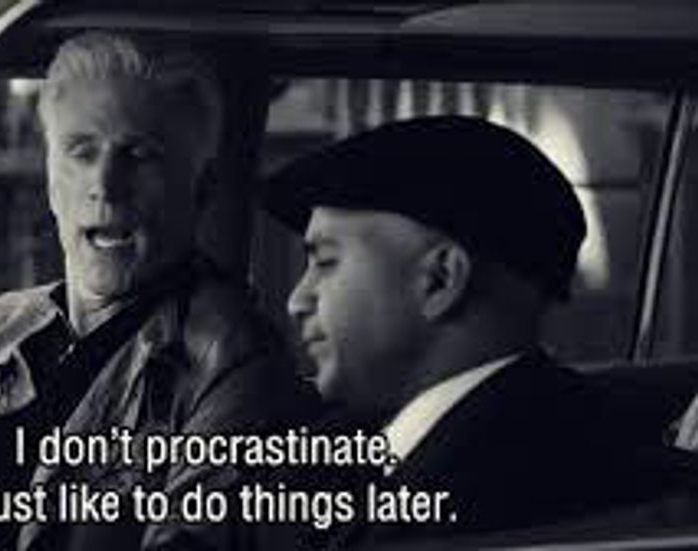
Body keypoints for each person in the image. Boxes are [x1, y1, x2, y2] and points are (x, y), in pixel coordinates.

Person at [0, 31, 316, 551]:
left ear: (201, 187)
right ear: (52, 181)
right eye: (81, 152)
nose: (106, 185)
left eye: (139, 155)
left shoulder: (232, 362)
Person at [265, 115, 698, 547]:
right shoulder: (358, 444)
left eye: (326, 262)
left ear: (440, 279)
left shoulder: (518, 494)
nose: (297, 300)